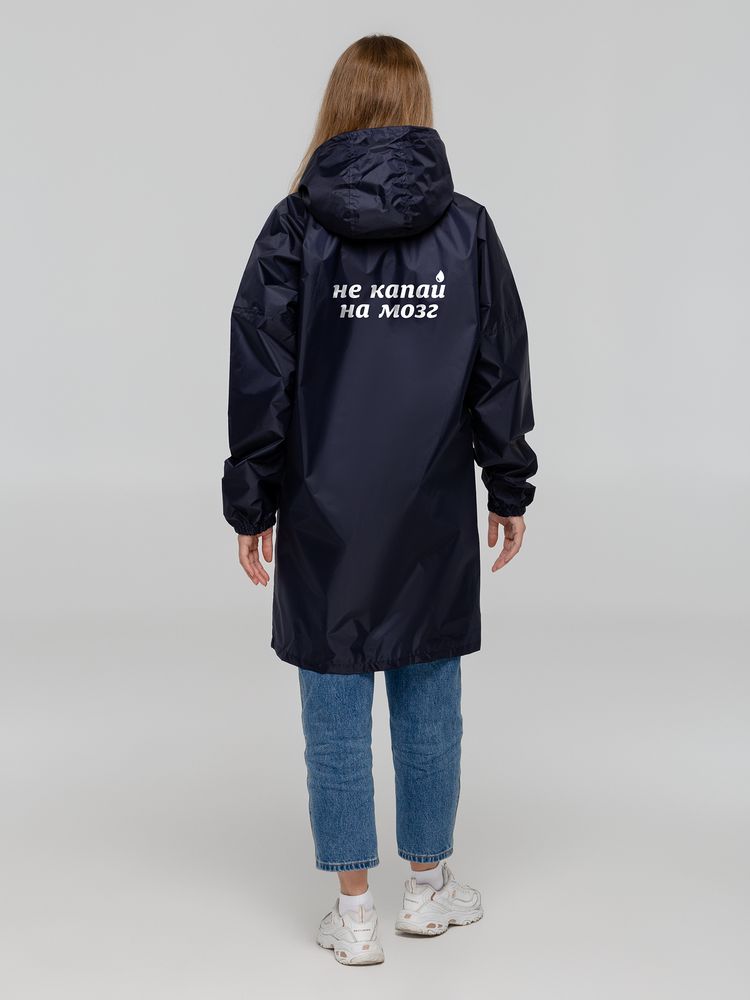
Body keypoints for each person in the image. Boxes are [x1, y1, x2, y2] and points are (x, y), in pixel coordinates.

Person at [222, 34, 537, 966]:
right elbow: (499, 369)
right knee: (429, 692)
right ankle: (428, 890)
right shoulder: (466, 230)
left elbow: (260, 374)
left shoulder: (295, 229)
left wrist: (252, 502)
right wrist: (507, 483)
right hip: (429, 509)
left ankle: (354, 914)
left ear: (339, 107)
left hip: (325, 512)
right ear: (418, 108)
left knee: (334, 702)